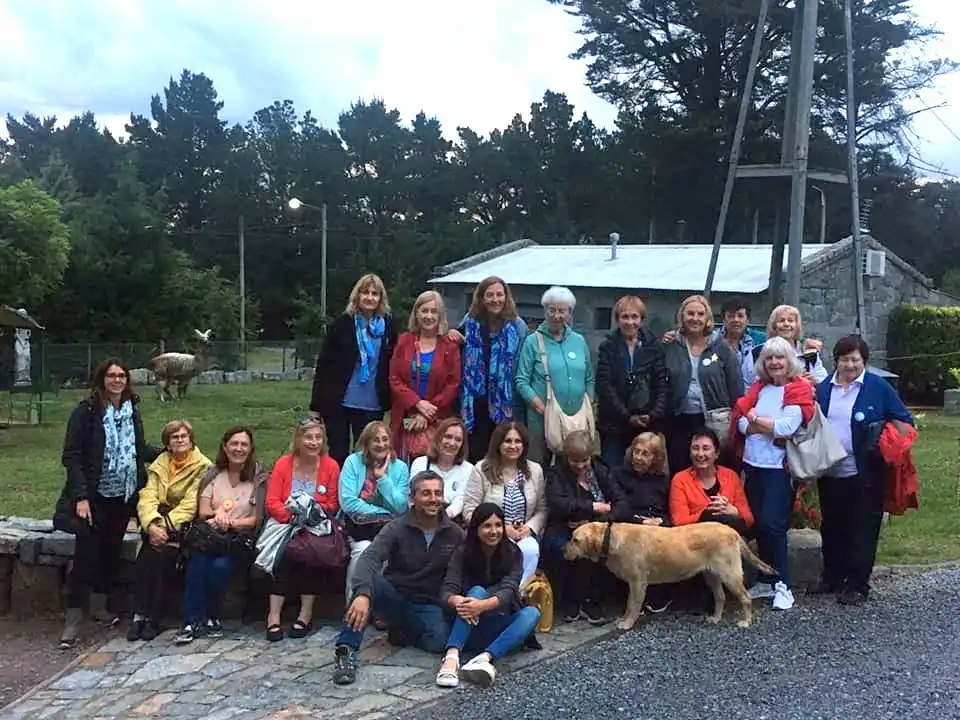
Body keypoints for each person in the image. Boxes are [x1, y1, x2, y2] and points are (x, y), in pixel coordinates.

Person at [56, 358, 160, 648]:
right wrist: (81, 496)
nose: (117, 380)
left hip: (122, 495)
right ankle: (74, 619)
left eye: (121, 376)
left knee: (110, 552)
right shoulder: (86, 412)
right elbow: (72, 456)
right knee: (86, 555)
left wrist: (173, 453)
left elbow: (139, 449)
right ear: (102, 379)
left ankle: (100, 607)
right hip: (94, 496)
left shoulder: (130, 411)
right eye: (111, 376)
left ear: (127, 381)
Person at [332, 470, 465, 685]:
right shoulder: (397, 527)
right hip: (395, 594)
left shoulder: (455, 533)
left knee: (439, 642)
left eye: (438, 493)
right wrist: (363, 594)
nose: (433, 499)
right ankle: (346, 649)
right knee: (369, 586)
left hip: (429, 602)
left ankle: (402, 631)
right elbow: (369, 559)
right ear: (412, 498)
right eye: (426, 493)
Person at [815, 335, 914, 605]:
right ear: (836, 360)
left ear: (864, 361)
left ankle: (858, 584)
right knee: (833, 526)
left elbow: (904, 420)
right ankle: (833, 576)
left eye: (855, 359)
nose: (849, 365)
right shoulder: (824, 389)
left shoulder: (877, 387)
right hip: (830, 471)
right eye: (844, 359)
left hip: (866, 472)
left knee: (863, 528)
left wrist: (885, 440)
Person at [730, 336, 815, 611]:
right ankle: (767, 579)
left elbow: (787, 428)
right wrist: (762, 424)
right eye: (769, 358)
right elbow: (741, 424)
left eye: (780, 357)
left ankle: (784, 585)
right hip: (754, 464)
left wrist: (756, 420)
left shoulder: (797, 388)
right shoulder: (759, 388)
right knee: (758, 523)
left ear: (789, 360)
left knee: (773, 524)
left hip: (779, 468)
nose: (775, 362)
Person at [175, 426, 267, 644]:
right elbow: (203, 510)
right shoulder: (213, 474)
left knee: (220, 568)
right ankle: (192, 620)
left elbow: (255, 518)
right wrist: (218, 517)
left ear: (250, 448)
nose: (239, 448)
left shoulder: (258, 478)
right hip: (210, 535)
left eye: (244, 444)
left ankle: (212, 616)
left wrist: (232, 523)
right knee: (197, 564)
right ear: (225, 447)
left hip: (237, 539)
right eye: (234, 444)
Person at [435, 503, 541, 688]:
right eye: (487, 526)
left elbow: (509, 590)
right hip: (466, 624)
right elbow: (446, 591)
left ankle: (484, 659)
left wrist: (482, 606)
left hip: (498, 623)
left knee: (532, 613)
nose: (493, 531)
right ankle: (451, 657)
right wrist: (457, 601)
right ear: (476, 529)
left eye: (498, 525)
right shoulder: (462, 553)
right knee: (477, 591)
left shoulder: (513, 552)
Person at [129, 420, 212, 641]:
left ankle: (152, 617)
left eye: (184, 436)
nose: (180, 440)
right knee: (146, 555)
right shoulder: (161, 462)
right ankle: (140, 615)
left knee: (161, 557)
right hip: (156, 524)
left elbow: (190, 505)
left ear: (191, 440)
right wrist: (152, 524)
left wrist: (162, 526)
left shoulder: (203, 466)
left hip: (182, 528)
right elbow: (147, 496)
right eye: (174, 437)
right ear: (167, 443)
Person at [263, 418, 341, 641]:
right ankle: (274, 616)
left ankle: (305, 615)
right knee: (281, 552)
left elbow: (332, 503)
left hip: (315, 523)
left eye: (318, 437)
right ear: (298, 439)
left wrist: (308, 515)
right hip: (285, 521)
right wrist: (290, 518)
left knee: (313, 552)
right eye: (308, 437)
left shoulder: (330, 466)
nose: (313, 442)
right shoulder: (283, 464)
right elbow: (272, 500)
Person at [309, 273, 398, 464]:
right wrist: (315, 407)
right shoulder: (342, 324)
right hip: (340, 401)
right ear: (356, 295)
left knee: (366, 454)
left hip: (372, 402)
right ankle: (338, 492)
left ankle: (363, 492)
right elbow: (324, 365)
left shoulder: (389, 327)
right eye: (365, 292)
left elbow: (396, 361)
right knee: (338, 452)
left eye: (375, 293)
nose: (369, 297)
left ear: (381, 298)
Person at [668, 429, 754, 613]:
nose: (700, 454)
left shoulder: (730, 476)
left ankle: (737, 582)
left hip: (727, 539)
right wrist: (705, 514)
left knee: (729, 521)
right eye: (695, 448)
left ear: (716, 454)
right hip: (694, 543)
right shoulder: (680, 480)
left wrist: (733, 510)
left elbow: (748, 519)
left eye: (706, 449)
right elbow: (679, 521)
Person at [544, 430, 622, 624]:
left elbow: (621, 503)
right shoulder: (556, 474)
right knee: (572, 550)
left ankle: (591, 600)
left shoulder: (601, 471)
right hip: (564, 527)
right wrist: (592, 506)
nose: (580, 465)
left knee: (595, 548)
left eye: (584, 460)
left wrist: (599, 521)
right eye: (574, 461)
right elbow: (558, 503)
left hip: (598, 526)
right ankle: (572, 600)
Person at [662, 294, 742, 476]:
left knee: (712, 471)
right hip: (679, 419)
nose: (695, 318)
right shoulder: (672, 344)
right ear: (681, 316)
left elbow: (735, 385)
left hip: (713, 419)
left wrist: (736, 419)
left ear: (708, 318)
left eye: (700, 314)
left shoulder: (720, 346)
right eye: (690, 314)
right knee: (681, 470)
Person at [451, 276, 529, 463]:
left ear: (506, 296)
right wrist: (455, 335)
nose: (495, 299)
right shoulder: (470, 322)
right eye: (490, 295)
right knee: (475, 452)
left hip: (505, 402)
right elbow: (460, 344)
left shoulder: (518, 326)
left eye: (499, 294)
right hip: (475, 400)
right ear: (481, 298)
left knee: (502, 452)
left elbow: (522, 362)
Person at [515, 286, 595, 464]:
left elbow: (589, 376)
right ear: (545, 310)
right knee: (538, 465)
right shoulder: (533, 341)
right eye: (552, 310)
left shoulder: (579, 341)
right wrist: (538, 404)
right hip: (542, 417)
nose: (557, 316)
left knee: (573, 464)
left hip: (576, 417)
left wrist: (588, 402)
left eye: (562, 311)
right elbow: (521, 380)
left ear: (570, 313)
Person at [462, 422, 547, 585]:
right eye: (508, 441)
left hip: (523, 533)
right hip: (490, 534)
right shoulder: (481, 469)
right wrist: (501, 529)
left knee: (530, 549)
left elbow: (542, 509)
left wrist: (529, 528)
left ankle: (517, 594)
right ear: (498, 443)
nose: (513, 446)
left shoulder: (535, 470)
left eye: (518, 441)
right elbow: (469, 510)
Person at [595, 295, 669, 469]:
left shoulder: (653, 346)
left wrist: (653, 415)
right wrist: (627, 416)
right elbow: (604, 385)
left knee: (645, 471)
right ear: (617, 320)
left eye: (634, 317)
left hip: (647, 421)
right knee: (613, 470)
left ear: (642, 320)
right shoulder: (608, 346)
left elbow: (661, 383)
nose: (630, 322)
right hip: (615, 422)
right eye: (625, 317)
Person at [339, 421, 411, 601]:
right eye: (375, 440)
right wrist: (384, 513)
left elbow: (401, 506)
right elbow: (348, 502)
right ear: (366, 443)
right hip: (360, 528)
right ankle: (353, 607)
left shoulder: (400, 467)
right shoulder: (353, 462)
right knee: (362, 552)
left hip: (390, 531)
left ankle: (380, 609)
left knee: (389, 557)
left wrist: (382, 478)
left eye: (385, 439)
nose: (381, 444)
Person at [389, 290, 461, 462]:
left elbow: (453, 383)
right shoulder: (404, 341)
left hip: (437, 420)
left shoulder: (449, 346)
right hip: (405, 417)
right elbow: (394, 378)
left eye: (433, 311)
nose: (429, 316)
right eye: (424, 311)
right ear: (416, 313)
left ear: (440, 315)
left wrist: (427, 412)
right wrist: (417, 403)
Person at [610, 432, 674, 613]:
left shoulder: (663, 480)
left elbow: (671, 510)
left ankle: (661, 593)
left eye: (645, 454)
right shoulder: (617, 474)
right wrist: (642, 522)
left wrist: (661, 521)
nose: (638, 457)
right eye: (636, 452)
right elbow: (619, 507)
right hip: (630, 524)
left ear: (656, 457)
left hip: (658, 526)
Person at [409, 417, 475, 521]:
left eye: (458, 439)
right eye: (448, 437)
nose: (452, 443)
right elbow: (412, 497)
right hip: (421, 518)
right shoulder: (420, 463)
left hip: (452, 521)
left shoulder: (469, 469)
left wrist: (443, 518)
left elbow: (461, 499)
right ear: (438, 438)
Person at [759, 304, 828, 385]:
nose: (786, 324)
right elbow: (752, 382)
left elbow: (823, 378)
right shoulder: (759, 351)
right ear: (774, 325)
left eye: (791, 320)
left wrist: (815, 380)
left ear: (797, 325)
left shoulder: (809, 351)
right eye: (781, 320)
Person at [713, 297, 767, 391]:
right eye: (730, 316)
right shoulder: (712, 340)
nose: (736, 320)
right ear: (723, 320)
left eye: (740, 316)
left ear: (748, 320)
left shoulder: (760, 340)